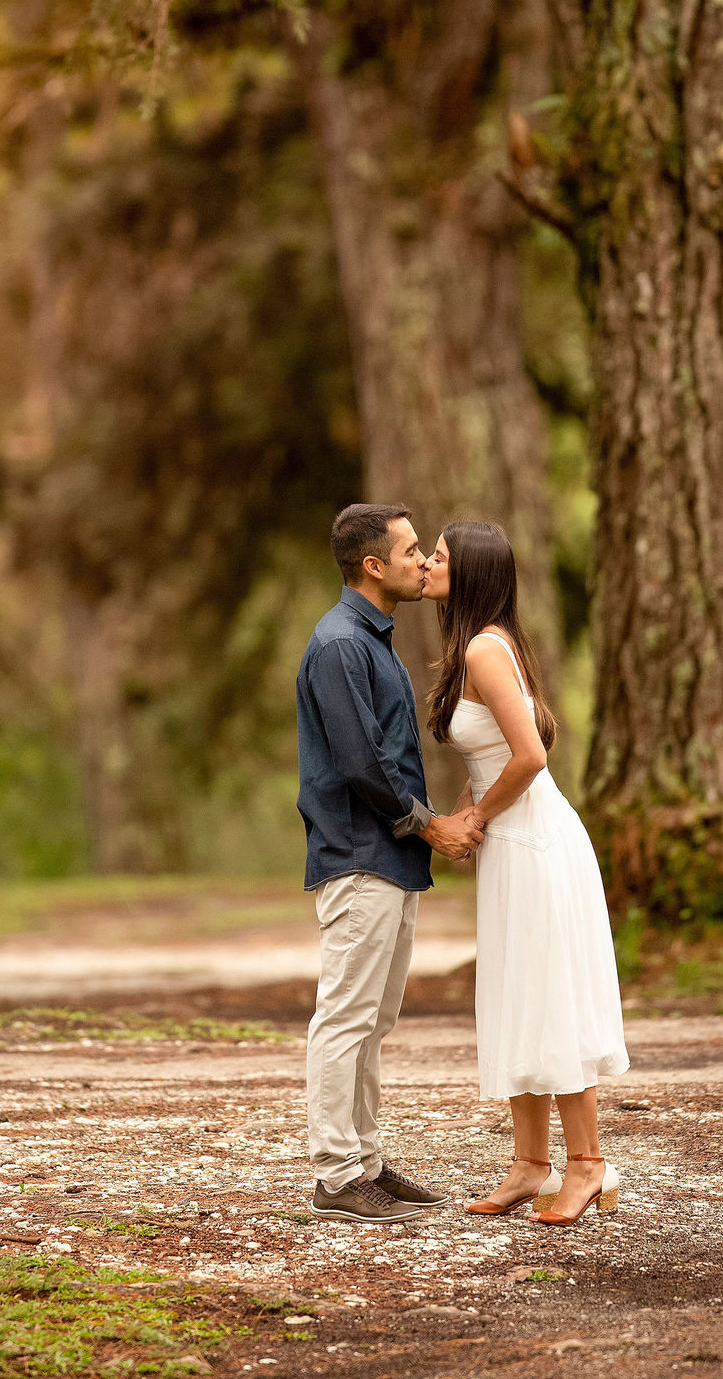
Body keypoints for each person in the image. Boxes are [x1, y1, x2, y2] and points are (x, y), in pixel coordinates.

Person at [422, 519, 630, 1227]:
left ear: (471, 573)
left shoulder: (484, 647)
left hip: (535, 842)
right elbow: (491, 758)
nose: (426, 565)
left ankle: (588, 1165)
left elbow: (531, 756)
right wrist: (468, 805)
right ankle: (529, 1165)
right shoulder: (482, 644)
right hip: (514, 844)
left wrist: (476, 819)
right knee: (519, 995)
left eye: (440, 558)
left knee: (552, 999)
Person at [296, 502, 485, 1223]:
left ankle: (365, 1161)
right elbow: (360, 765)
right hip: (360, 857)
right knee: (345, 1017)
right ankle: (337, 1175)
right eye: (410, 551)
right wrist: (430, 826)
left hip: (388, 859)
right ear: (373, 566)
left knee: (374, 1019)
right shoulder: (341, 644)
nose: (423, 561)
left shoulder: (371, 640)